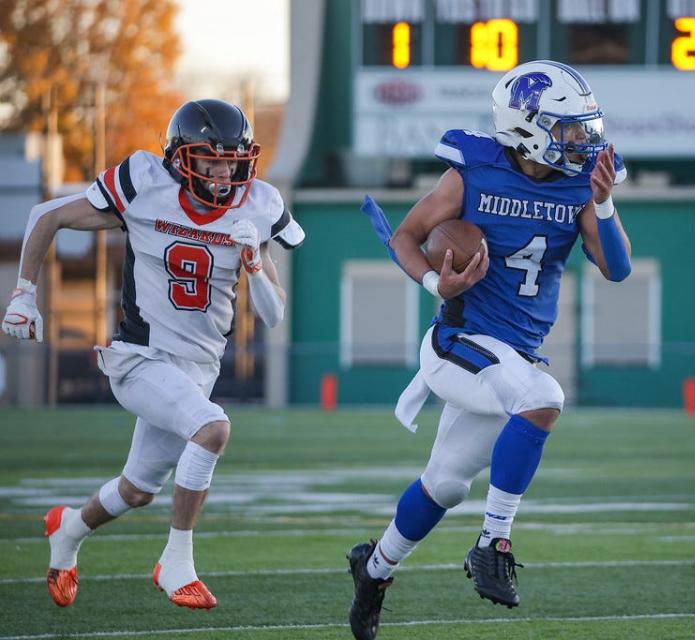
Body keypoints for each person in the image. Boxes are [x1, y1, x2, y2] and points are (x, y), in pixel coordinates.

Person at [351, 60, 631, 640]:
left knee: (446, 483)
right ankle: (492, 541)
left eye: (584, 127)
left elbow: (617, 268)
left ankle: (373, 569)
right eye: (568, 128)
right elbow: (405, 234)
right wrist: (436, 284)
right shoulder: (472, 171)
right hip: (457, 341)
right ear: (526, 127)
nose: (581, 140)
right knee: (543, 397)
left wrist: (603, 205)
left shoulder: (583, 182)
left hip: (512, 356)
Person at [1, 99, 304, 609]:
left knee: (138, 489)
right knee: (213, 430)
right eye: (210, 158)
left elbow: (274, 316)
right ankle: (176, 563)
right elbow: (46, 214)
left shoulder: (257, 205)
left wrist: (254, 263)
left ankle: (68, 531)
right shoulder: (145, 183)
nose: (224, 170)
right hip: (140, 357)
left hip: (198, 369)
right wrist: (24, 292)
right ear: (180, 157)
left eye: (232, 158)